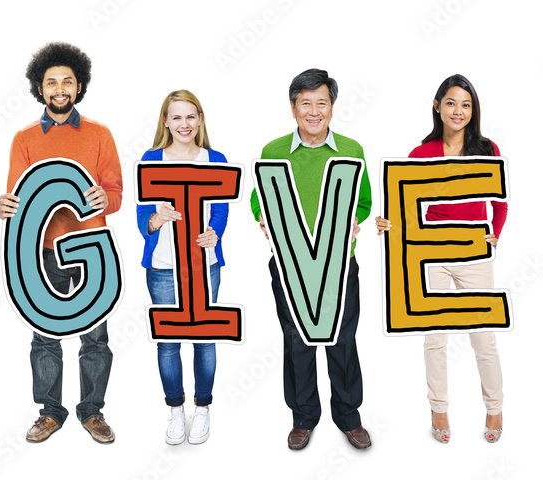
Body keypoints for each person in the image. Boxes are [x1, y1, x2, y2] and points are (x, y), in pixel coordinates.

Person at [0, 42, 123, 444]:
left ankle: (93, 411)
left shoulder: (100, 134)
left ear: (79, 85)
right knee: (44, 334)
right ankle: (50, 412)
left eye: (67, 81)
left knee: (95, 337)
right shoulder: (24, 138)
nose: (60, 88)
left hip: (91, 251)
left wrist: (108, 197)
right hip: (42, 252)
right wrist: (3, 206)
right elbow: (17, 199)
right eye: (51, 82)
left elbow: (116, 192)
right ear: (40, 88)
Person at [375, 74, 507, 444]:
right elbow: (406, 205)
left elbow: (500, 202)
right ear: (437, 106)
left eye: (466, 104)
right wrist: (389, 223)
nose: (458, 111)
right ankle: (439, 408)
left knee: (483, 337)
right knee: (434, 337)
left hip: (472, 253)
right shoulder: (422, 154)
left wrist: (494, 233)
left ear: (473, 110)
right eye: (451, 103)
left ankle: (494, 408)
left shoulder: (486, 148)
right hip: (431, 254)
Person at [249, 68, 373, 450]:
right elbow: (259, 198)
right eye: (306, 104)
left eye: (322, 103)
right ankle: (303, 417)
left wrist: (356, 220)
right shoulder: (272, 151)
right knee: (296, 340)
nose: (314, 111)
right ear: (293, 108)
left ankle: (348, 417)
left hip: (337, 264)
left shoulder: (351, 150)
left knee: (343, 340)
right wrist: (262, 218)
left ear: (332, 107)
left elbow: (364, 200)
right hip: (289, 266)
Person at [136, 90, 228, 445]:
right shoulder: (151, 158)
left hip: (205, 266)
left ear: (200, 120)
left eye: (190, 117)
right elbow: (142, 214)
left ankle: (202, 408)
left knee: (205, 339)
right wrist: (156, 219)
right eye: (176, 117)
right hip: (162, 267)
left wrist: (214, 233)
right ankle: (176, 411)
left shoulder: (214, 158)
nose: (184, 124)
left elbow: (221, 208)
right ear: (165, 122)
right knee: (168, 342)